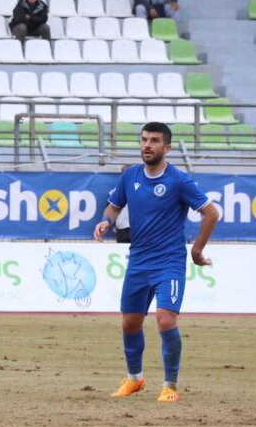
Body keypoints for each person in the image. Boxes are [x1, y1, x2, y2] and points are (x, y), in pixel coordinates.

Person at [93, 122, 219, 403]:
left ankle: (170, 386)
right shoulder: (130, 176)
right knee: (130, 323)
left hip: (169, 262)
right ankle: (135, 379)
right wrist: (105, 220)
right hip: (139, 260)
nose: (147, 145)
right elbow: (115, 204)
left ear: (167, 147)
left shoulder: (179, 180)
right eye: (144, 140)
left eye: (154, 141)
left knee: (165, 320)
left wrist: (196, 252)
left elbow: (211, 214)